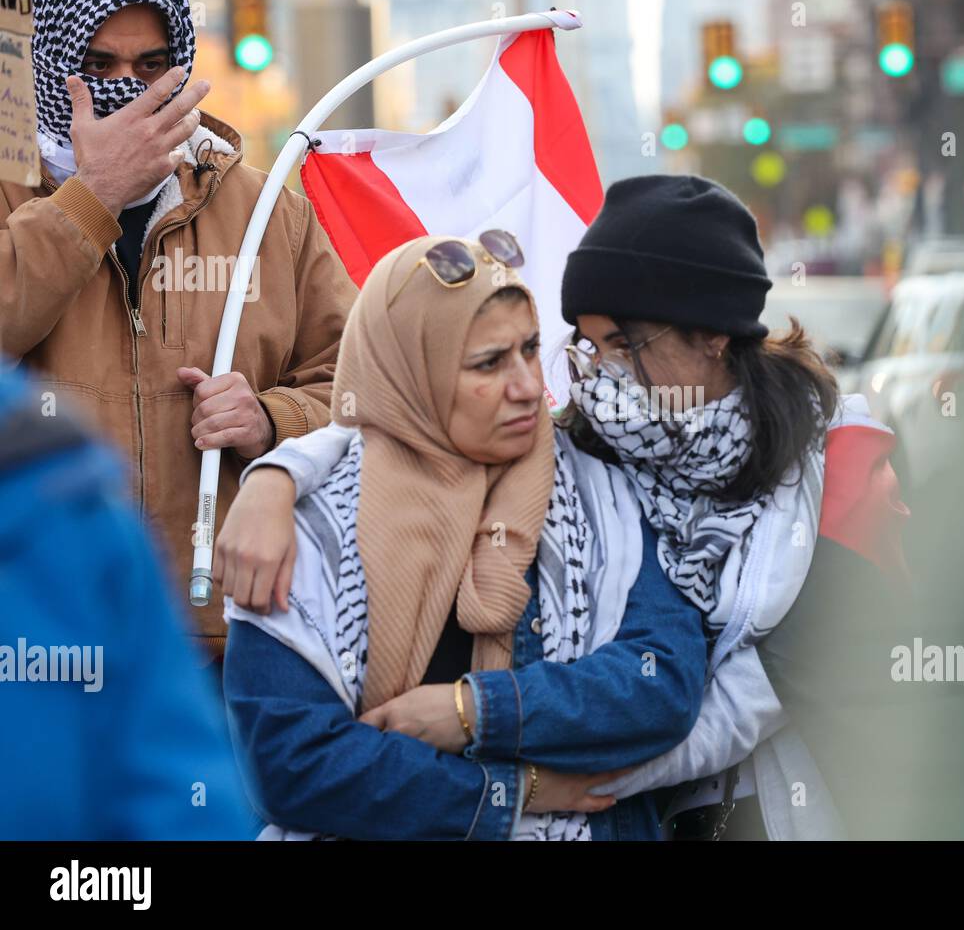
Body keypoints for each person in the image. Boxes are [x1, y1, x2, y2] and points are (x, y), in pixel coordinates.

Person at [217, 176, 913, 840]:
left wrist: (482, 727)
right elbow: (294, 762)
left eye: (620, 344)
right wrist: (277, 474)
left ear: (714, 336)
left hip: (764, 801)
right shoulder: (593, 441)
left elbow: (684, 689)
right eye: (583, 342)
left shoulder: (807, 478)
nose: (543, 383)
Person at [219, 234, 708, 840]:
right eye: (488, 363)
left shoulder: (600, 492)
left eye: (530, 350)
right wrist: (510, 793)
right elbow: (292, 766)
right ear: (411, 373)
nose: (529, 385)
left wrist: (474, 711)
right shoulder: (308, 526)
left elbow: (662, 682)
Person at [0, 0, 355, 657]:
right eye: (98, 67)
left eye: (151, 66)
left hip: (231, 642)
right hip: (36, 639)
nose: (127, 87)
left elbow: (363, 390)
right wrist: (94, 196)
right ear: (49, 64)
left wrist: (270, 419)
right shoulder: (10, 189)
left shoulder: (264, 213)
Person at [0, 365, 251, 839]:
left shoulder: (57, 485)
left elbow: (345, 377)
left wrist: (273, 422)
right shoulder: (52, 475)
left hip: (221, 640)